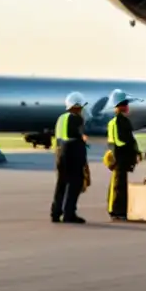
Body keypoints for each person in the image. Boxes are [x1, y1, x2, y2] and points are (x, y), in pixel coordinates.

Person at [51, 91, 88, 224]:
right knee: (75, 183)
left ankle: (56, 212)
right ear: (77, 106)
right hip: (73, 152)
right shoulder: (76, 118)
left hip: (60, 153)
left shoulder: (61, 118)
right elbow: (78, 137)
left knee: (61, 183)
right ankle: (69, 213)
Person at [106, 89, 142, 221]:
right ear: (119, 106)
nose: (127, 106)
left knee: (120, 184)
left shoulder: (124, 121)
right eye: (125, 104)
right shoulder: (116, 121)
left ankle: (120, 210)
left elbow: (130, 139)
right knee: (117, 185)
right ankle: (115, 211)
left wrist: (136, 152)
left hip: (123, 158)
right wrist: (132, 151)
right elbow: (120, 141)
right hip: (119, 158)